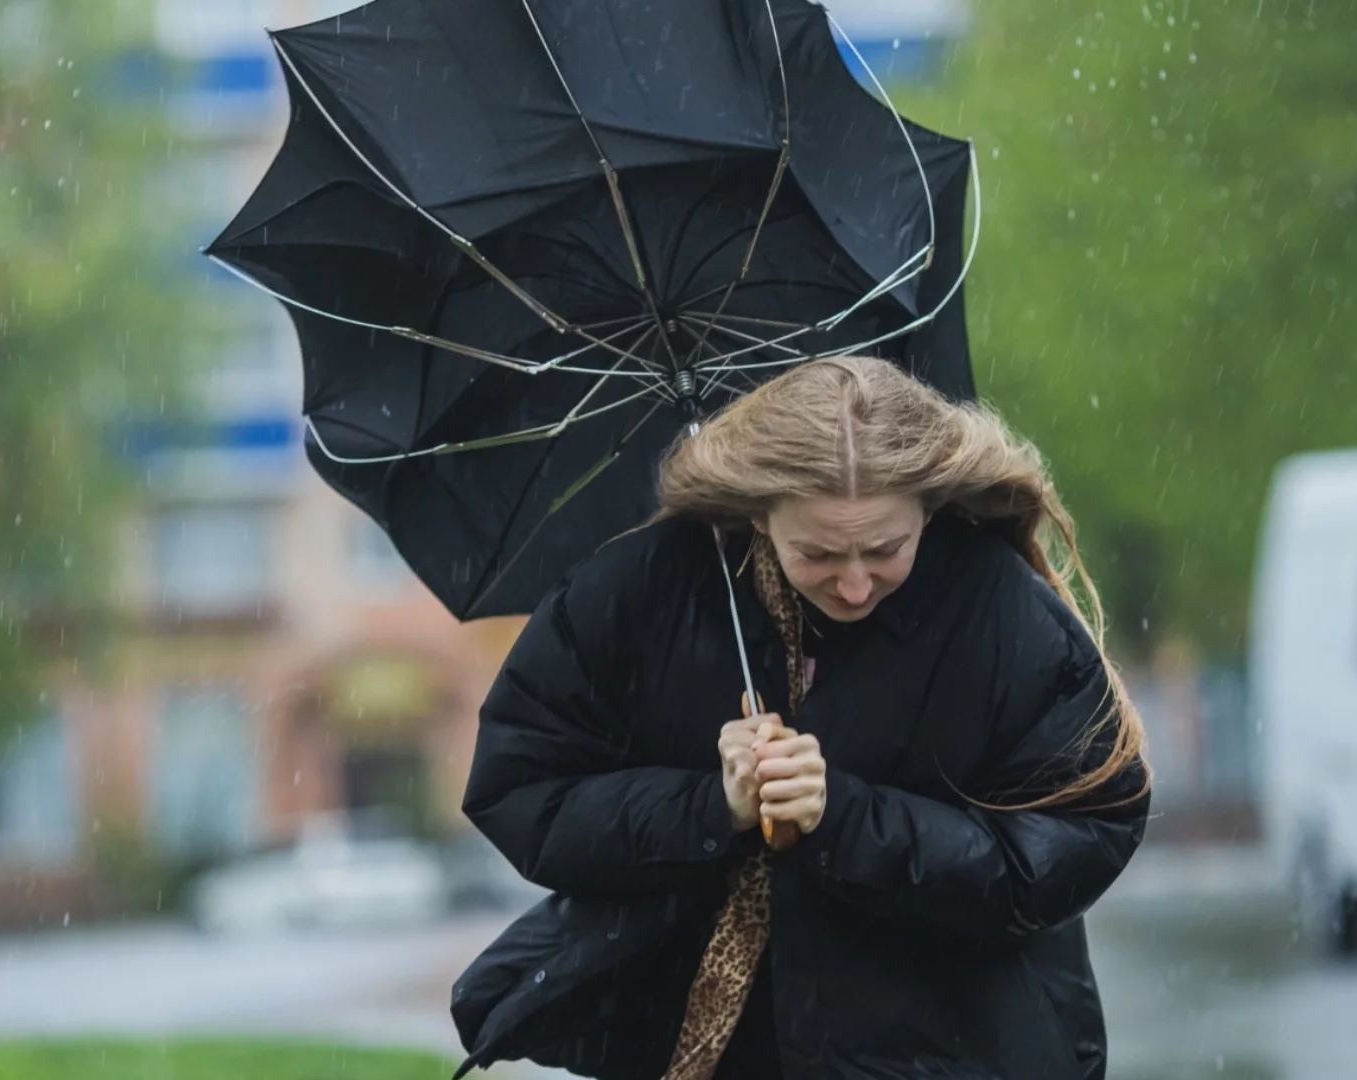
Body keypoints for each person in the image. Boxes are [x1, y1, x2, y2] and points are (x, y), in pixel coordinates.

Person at [450, 355, 1152, 1080]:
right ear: (757, 510)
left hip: (952, 1055)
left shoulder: (998, 610)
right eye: (816, 552)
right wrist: (710, 806)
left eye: (886, 549)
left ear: (929, 506)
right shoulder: (640, 593)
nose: (853, 584)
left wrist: (845, 818)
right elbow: (521, 788)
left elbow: (1079, 835)